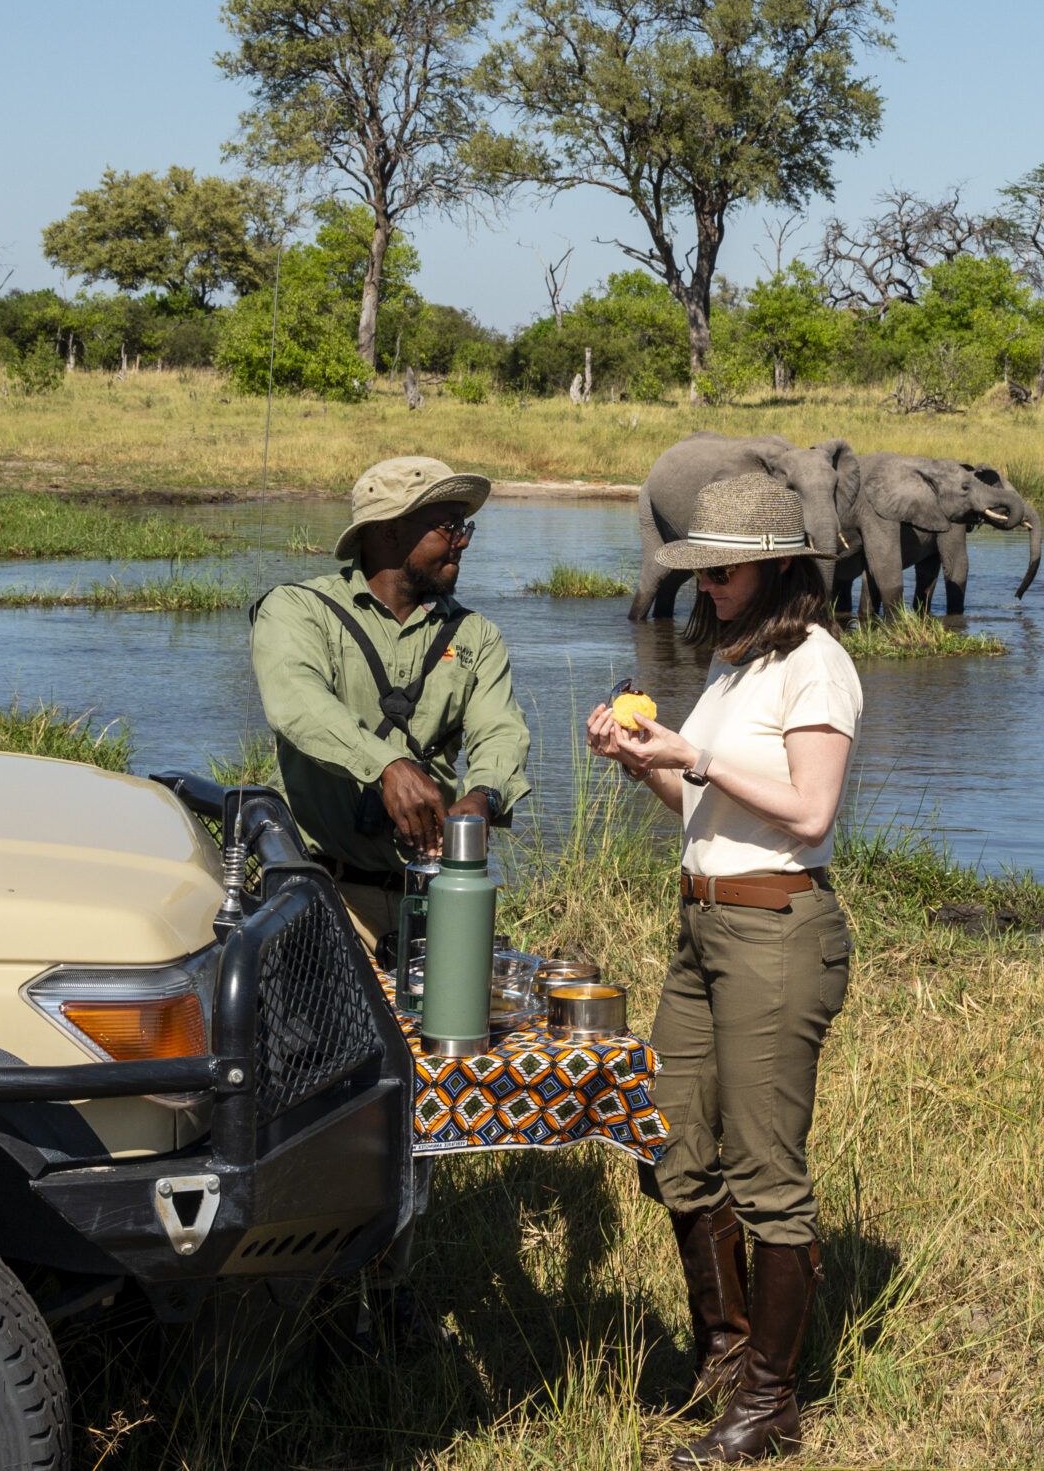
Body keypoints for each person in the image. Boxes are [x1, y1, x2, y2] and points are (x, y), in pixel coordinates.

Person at [585, 471, 860, 1468]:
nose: (707, 586)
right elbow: (702, 809)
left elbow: (807, 812)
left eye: (725, 569)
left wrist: (692, 759)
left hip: (776, 932)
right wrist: (642, 757)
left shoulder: (815, 664)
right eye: (700, 570)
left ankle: (768, 1403)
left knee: (765, 1173)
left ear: (781, 564)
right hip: (701, 926)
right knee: (673, 1146)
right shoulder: (737, 665)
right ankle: (724, 1354)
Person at [250, 455, 533, 951]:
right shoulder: (296, 610)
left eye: (464, 527)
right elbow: (296, 702)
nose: (463, 541)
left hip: (433, 900)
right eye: (448, 528)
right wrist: (388, 766)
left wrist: (485, 796)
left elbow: (501, 731)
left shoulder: (477, 635)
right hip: (314, 896)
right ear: (389, 531)